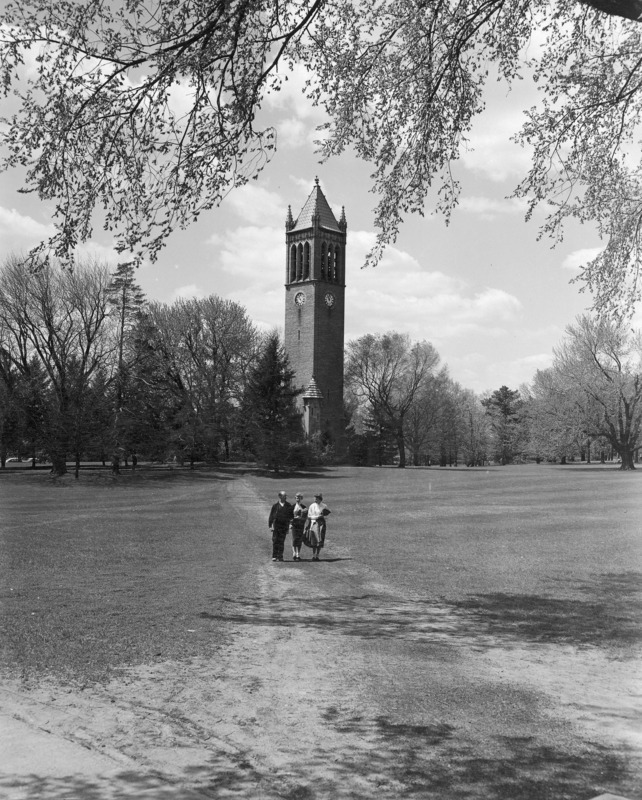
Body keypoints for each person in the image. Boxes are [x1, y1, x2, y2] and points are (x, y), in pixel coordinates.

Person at [304, 493, 331, 561]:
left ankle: (317, 555)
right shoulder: (312, 506)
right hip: (313, 524)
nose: (315, 499)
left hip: (321, 524)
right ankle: (313, 555)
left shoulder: (324, 506)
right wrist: (317, 517)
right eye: (314, 498)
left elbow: (327, 515)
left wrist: (323, 517)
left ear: (319, 499)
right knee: (314, 540)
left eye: (316, 498)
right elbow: (309, 516)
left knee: (320, 539)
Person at [268, 491, 293, 562]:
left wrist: (290, 524)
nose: (285, 497)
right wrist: (270, 526)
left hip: (284, 526)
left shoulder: (288, 505)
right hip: (276, 526)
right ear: (280, 497)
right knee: (275, 541)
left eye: (285, 496)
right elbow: (271, 516)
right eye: (284, 496)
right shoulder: (275, 506)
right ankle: (274, 556)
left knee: (282, 541)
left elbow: (291, 516)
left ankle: (280, 556)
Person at [290, 492, 307, 561]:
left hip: (301, 525)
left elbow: (305, 518)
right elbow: (290, 516)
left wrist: (301, 518)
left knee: (299, 539)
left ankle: (298, 554)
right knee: (294, 539)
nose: (298, 499)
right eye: (297, 498)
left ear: (301, 498)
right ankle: (294, 553)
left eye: (299, 498)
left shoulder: (304, 507)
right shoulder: (292, 506)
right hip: (294, 524)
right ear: (295, 498)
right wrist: (290, 523)